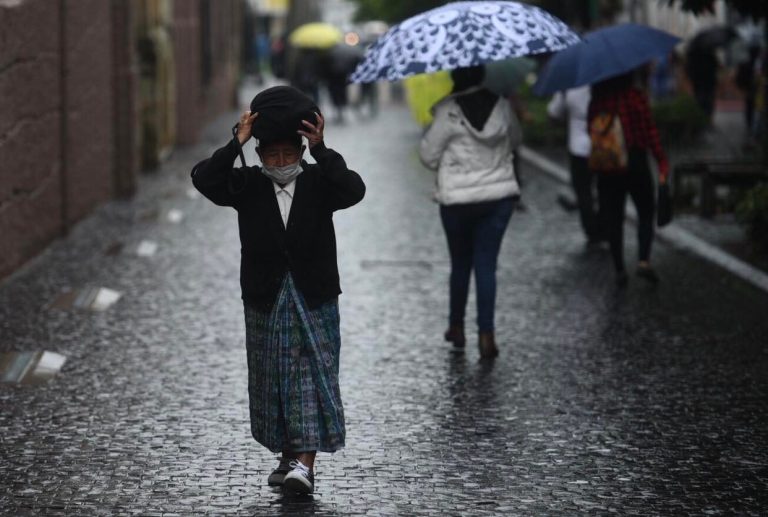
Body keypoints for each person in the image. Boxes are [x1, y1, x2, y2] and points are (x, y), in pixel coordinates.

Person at [190, 86, 366, 494]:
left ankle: (305, 464)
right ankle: (288, 454)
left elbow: (353, 189)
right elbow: (204, 178)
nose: (281, 163)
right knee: (274, 379)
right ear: (261, 157)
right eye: (273, 157)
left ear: (300, 155)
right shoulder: (246, 186)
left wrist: (321, 148)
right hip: (265, 297)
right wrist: (238, 139)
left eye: (289, 156)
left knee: (312, 373)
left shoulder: (320, 181)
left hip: (314, 294)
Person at [419, 66, 519, 359]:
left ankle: (457, 327)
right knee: (486, 266)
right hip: (499, 197)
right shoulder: (502, 106)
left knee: (460, 263)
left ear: (455, 77)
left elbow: (428, 156)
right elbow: (516, 139)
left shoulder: (449, 111)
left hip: (457, 201)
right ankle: (486, 334)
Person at [588, 72, 669, 286]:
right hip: (635, 161)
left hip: (608, 165)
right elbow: (649, 129)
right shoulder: (635, 97)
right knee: (645, 210)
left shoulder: (597, 99)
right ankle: (643, 259)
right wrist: (661, 159)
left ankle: (619, 268)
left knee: (614, 216)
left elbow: (591, 130)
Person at [547, 85, 602, 245]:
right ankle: (604, 226)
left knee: (583, 190)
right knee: (605, 189)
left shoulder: (568, 85)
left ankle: (592, 230)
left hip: (578, 148)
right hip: (604, 144)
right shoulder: (603, 81)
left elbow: (554, 112)